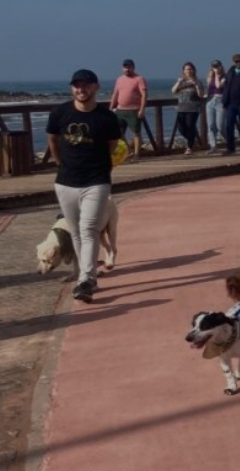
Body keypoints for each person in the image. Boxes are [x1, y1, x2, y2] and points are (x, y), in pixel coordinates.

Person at [46, 69, 122, 303]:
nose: (81, 89)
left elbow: (112, 145)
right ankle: (85, 275)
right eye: (77, 85)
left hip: (97, 180)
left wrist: (97, 166)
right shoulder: (60, 113)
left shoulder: (106, 117)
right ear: (72, 88)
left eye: (86, 85)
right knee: (76, 231)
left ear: (96, 87)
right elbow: (53, 140)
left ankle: (86, 280)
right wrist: (61, 164)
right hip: (66, 181)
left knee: (89, 229)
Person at [109, 59, 147, 161]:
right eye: (125, 67)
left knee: (136, 132)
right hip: (120, 110)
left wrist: (142, 109)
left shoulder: (139, 79)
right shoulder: (119, 79)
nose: (127, 69)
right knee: (118, 133)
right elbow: (115, 94)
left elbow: (144, 94)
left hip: (134, 110)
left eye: (129, 67)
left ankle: (136, 155)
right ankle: (129, 151)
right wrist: (111, 107)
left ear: (133, 67)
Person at [172, 61, 206, 154]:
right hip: (181, 107)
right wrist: (179, 82)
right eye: (187, 69)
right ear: (183, 71)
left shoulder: (197, 81)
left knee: (190, 126)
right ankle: (192, 139)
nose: (189, 71)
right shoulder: (181, 81)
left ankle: (189, 147)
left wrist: (196, 85)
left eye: (190, 69)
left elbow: (201, 95)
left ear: (194, 70)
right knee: (180, 127)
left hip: (193, 108)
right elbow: (173, 91)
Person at [205, 60, 226, 153]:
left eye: (217, 67)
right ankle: (213, 146)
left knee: (220, 126)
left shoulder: (225, 77)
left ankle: (230, 140)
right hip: (210, 101)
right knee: (210, 125)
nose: (216, 69)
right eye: (214, 67)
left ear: (221, 67)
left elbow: (218, 86)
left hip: (220, 100)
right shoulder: (210, 77)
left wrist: (217, 76)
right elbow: (209, 87)